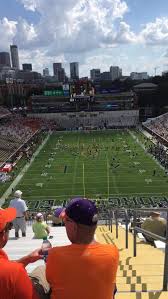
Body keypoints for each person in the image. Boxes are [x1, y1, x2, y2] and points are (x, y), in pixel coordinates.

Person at [46, 198, 119, 299]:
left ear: (73, 226)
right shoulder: (113, 252)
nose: (65, 224)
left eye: (65, 220)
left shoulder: (55, 254)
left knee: (39, 271)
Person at [0, 207, 42, 299]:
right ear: (3, 234)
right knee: (41, 270)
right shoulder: (15, 272)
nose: (11, 228)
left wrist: (27, 259)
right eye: (9, 226)